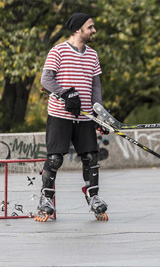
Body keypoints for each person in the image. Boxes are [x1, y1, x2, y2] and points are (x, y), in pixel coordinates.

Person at [36, 13, 109, 222]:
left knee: (91, 158)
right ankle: (45, 198)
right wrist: (66, 93)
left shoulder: (92, 55)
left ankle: (93, 196)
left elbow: (96, 86)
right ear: (78, 29)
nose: (94, 30)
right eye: (90, 27)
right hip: (60, 115)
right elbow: (46, 80)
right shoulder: (58, 51)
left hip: (85, 116)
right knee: (55, 158)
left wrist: (99, 113)